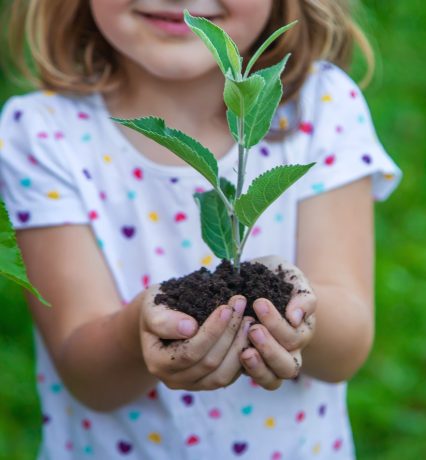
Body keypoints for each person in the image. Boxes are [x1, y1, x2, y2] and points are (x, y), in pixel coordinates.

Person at [0, 0, 400, 458]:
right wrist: (137, 332)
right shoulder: (41, 133)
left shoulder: (322, 106)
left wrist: (294, 310)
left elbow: (347, 344)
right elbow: (86, 372)